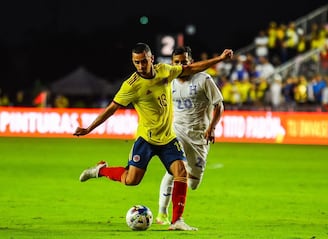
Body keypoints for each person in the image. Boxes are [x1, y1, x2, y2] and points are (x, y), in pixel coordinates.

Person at [73, 42, 233, 231]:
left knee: (181, 173)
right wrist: (89, 128)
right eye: (136, 62)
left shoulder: (164, 71)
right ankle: (101, 170)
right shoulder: (131, 85)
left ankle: (177, 221)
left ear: (152, 59)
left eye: (143, 61)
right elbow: (111, 109)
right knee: (132, 180)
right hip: (146, 140)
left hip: (168, 138)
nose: (140, 66)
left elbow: (190, 68)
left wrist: (220, 59)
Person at [155, 46, 224, 225]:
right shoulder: (168, 81)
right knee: (175, 170)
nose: (180, 65)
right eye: (176, 62)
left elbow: (219, 105)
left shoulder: (204, 79)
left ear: (191, 62)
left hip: (199, 135)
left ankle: (170, 209)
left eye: (184, 62)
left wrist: (212, 127)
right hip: (176, 131)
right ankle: (162, 213)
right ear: (172, 63)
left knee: (193, 182)